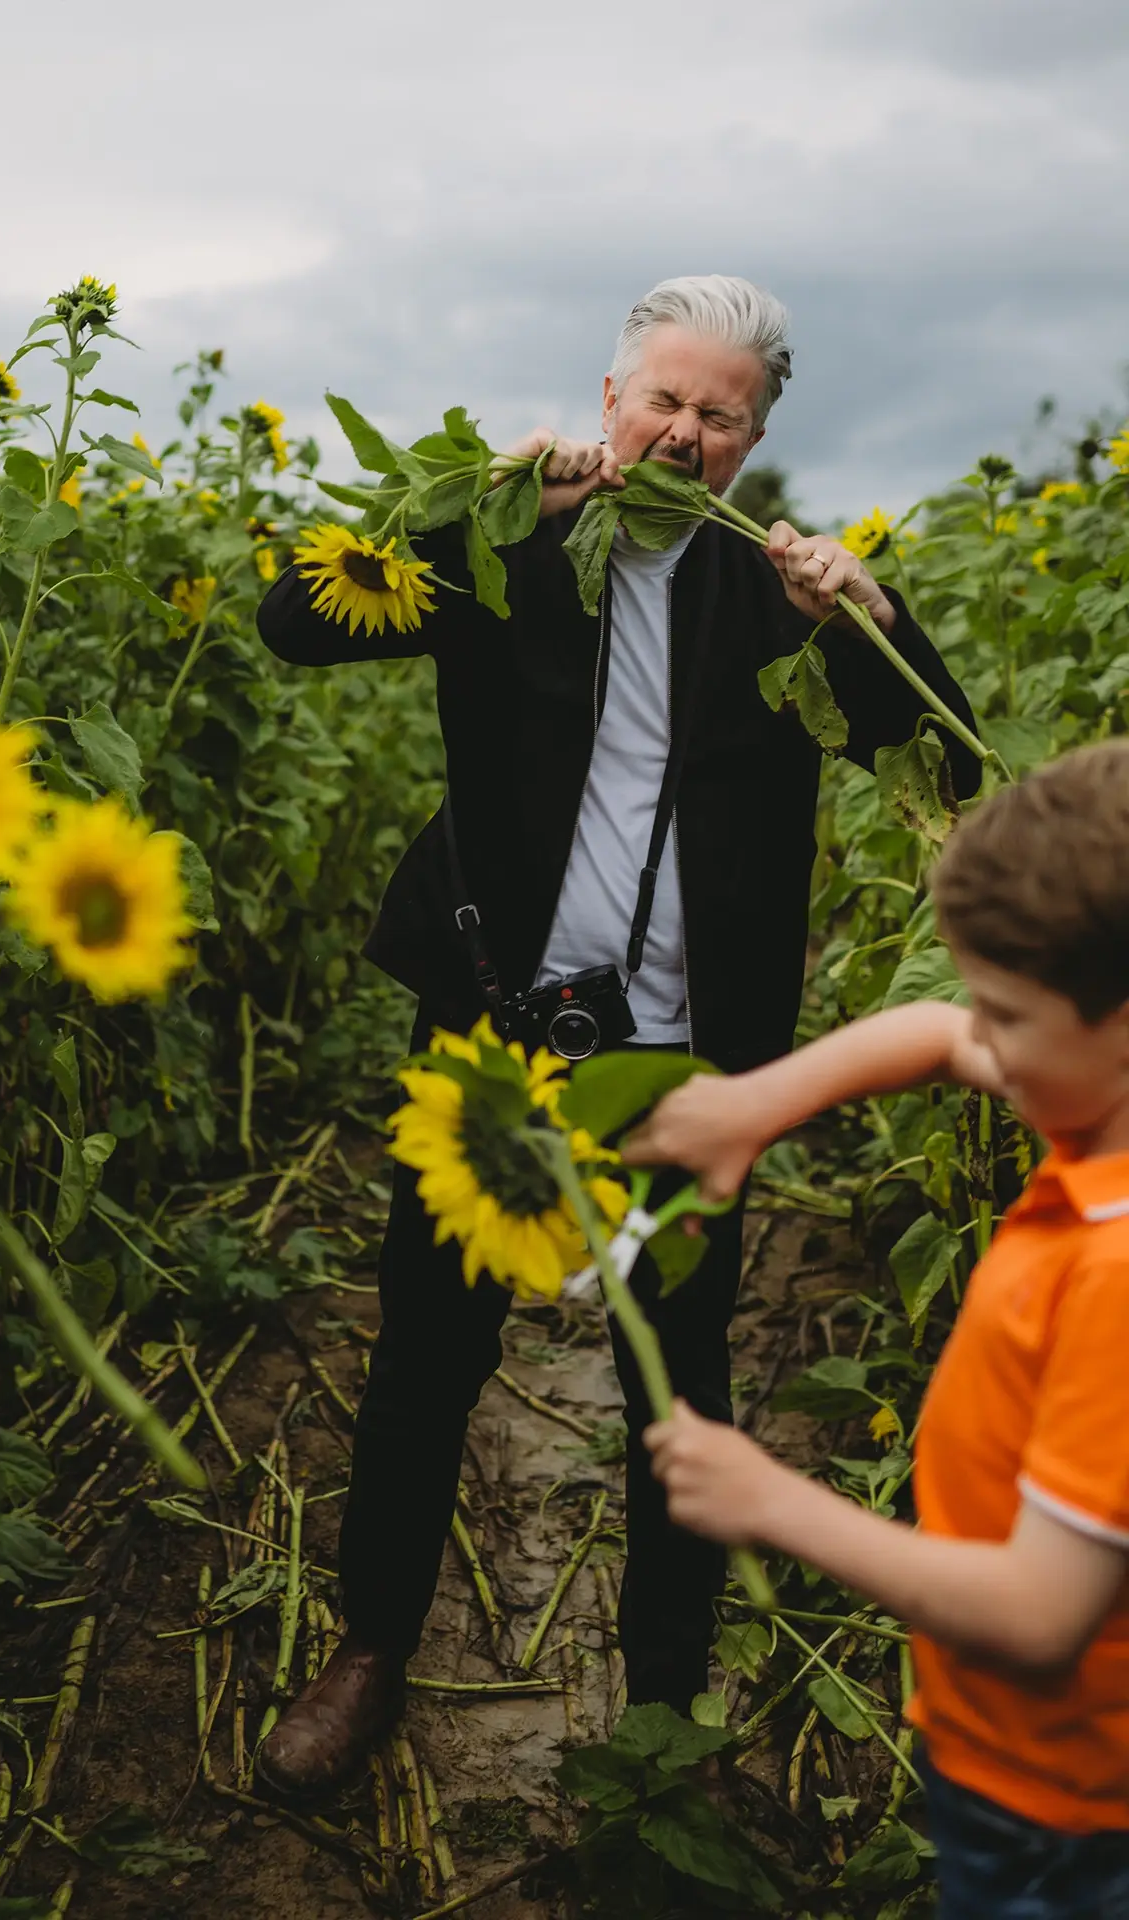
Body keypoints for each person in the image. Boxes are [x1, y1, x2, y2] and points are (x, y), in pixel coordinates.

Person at [254, 274, 980, 1792]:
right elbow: (290, 626)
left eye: (721, 415)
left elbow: (943, 738)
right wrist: (472, 506)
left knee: (679, 1384)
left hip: (686, 1061)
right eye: (663, 398)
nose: (682, 435)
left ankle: (663, 1708)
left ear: (757, 437)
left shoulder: (769, 597)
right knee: (429, 1355)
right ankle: (370, 1650)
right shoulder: (516, 554)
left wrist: (866, 610)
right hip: (499, 1031)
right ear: (608, 400)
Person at [634, 740, 1129, 1920]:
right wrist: (759, 1102)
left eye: (1006, 1016)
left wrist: (771, 1504)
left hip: (1063, 1811)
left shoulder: (1117, 1279)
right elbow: (924, 1033)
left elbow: (1036, 1613)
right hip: (1007, 1761)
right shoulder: (1092, 1110)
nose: (984, 1048)